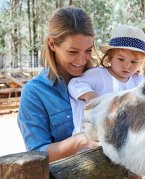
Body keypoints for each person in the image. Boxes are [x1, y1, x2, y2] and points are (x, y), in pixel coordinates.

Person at [17, 7, 100, 163]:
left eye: (88, 50)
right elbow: (37, 153)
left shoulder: (100, 78)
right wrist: (81, 140)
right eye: (73, 52)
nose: (82, 60)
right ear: (52, 44)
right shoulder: (34, 92)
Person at [68, 24, 145, 135]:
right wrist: (89, 95)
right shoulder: (98, 74)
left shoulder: (139, 81)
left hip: (124, 138)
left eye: (134, 62)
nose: (127, 66)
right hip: (92, 138)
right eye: (121, 59)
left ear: (140, 62)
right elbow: (74, 83)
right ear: (109, 57)